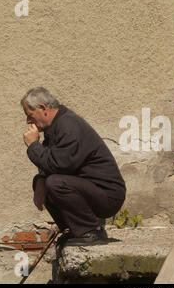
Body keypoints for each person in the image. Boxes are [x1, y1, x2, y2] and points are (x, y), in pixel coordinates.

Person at [21, 87, 126, 246]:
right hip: (91, 190)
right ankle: (74, 229)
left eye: (30, 116)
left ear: (43, 108)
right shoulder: (56, 126)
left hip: (108, 196)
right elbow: (51, 164)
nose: (28, 121)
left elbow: (58, 165)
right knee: (44, 181)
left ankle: (90, 231)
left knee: (55, 183)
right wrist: (40, 181)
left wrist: (33, 146)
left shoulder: (68, 125)